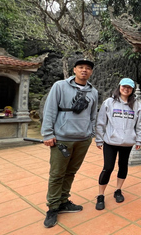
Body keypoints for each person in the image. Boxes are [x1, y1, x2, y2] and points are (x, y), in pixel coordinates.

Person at [41, 58, 98, 228]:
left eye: (88, 68)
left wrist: (91, 132)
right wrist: (48, 133)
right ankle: (53, 207)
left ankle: (64, 200)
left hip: (83, 139)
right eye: (81, 67)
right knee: (57, 173)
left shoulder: (93, 92)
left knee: (71, 171)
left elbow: (93, 114)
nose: (84, 71)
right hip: (62, 138)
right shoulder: (60, 86)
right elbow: (50, 109)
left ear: (91, 72)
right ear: (74, 69)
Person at [95, 78, 141, 210]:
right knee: (108, 167)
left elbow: (140, 124)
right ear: (119, 87)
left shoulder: (137, 105)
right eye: (124, 86)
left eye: (129, 87)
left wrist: (139, 139)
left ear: (132, 90)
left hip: (127, 142)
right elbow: (101, 122)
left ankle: (118, 190)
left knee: (123, 166)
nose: (126, 89)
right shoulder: (109, 103)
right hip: (110, 142)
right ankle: (100, 195)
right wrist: (99, 139)